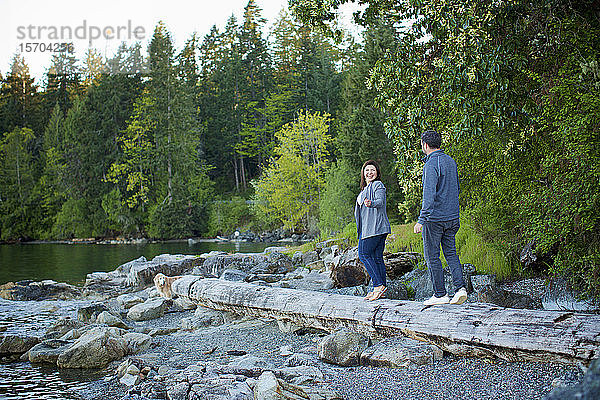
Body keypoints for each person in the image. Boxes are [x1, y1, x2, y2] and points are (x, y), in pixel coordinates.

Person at [413, 130, 468, 306]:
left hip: (435, 219)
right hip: (452, 217)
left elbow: (428, 195)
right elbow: (456, 189)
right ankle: (460, 289)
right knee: (451, 253)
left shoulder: (431, 164)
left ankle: (440, 294)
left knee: (432, 256)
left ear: (425, 145)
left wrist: (421, 219)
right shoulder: (450, 161)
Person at [355, 160, 392, 301]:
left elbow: (380, 201)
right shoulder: (364, 189)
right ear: (363, 173)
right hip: (370, 229)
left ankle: (378, 286)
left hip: (375, 228)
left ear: (377, 173)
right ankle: (381, 289)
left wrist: (372, 203)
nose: (369, 172)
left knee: (363, 254)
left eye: (372, 170)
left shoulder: (378, 185)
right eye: (367, 170)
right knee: (377, 258)